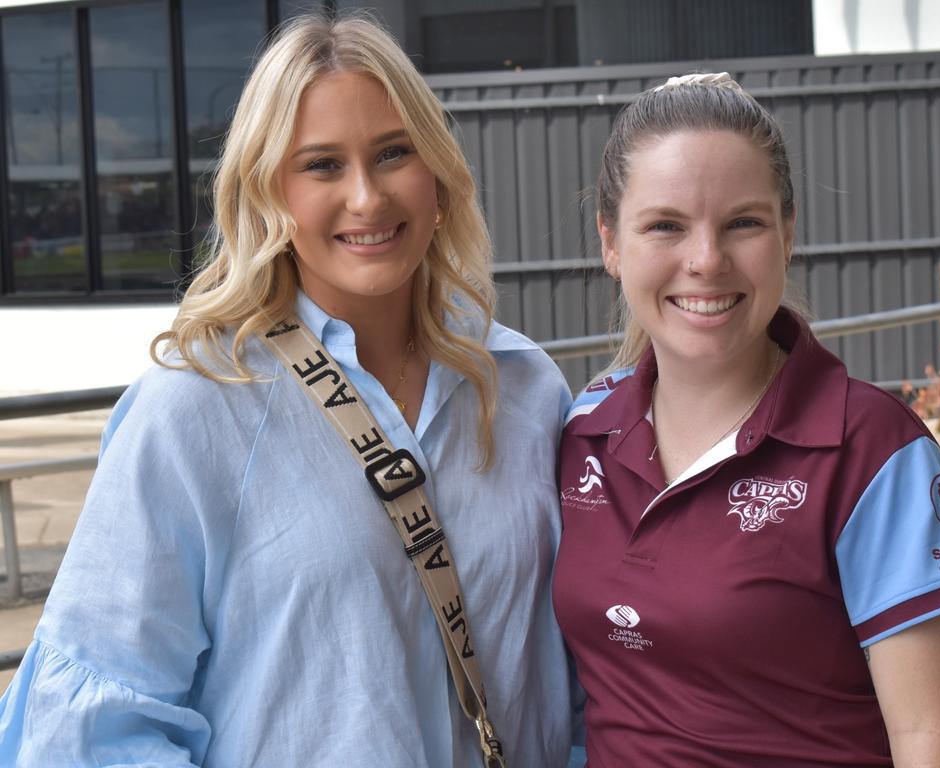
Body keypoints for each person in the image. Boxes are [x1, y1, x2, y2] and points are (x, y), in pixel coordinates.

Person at [0, 14, 575, 767]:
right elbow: (90, 730)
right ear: (269, 193)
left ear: (438, 175)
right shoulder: (195, 409)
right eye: (323, 165)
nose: (367, 198)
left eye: (394, 152)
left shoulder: (527, 388)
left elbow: (582, 676)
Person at [552, 72, 940, 767]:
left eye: (743, 223)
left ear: (788, 233)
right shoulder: (581, 428)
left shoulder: (874, 454)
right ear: (611, 242)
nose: (706, 260)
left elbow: (934, 747)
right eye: (665, 225)